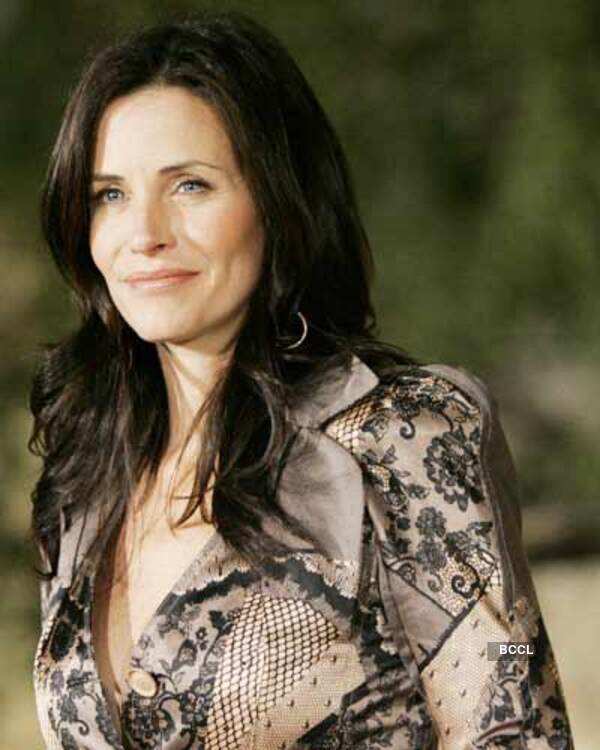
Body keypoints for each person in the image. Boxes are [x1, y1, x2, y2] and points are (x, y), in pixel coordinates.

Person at [28, 10, 573, 750]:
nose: (144, 234)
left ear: (279, 202)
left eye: (190, 185)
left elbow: (514, 711)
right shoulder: (84, 479)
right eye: (110, 195)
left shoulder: (406, 435)